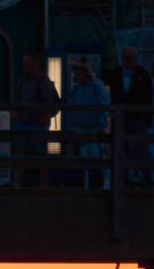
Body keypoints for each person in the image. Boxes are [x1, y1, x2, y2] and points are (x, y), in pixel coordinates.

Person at [109, 46, 154, 186]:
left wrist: (147, 114)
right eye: (126, 58)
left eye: (131, 58)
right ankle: (123, 180)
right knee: (121, 148)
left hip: (137, 118)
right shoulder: (116, 73)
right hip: (121, 117)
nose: (129, 61)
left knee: (139, 148)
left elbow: (149, 95)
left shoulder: (143, 74)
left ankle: (144, 179)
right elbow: (113, 94)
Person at [13, 53, 58, 189]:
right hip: (24, 122)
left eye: (28, 64)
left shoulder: (43, 82)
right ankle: (18, 183)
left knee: (40, 156)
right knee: (20, 153)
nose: (26, 67)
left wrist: (43, 118)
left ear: (36, 64)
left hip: (36, 124)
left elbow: (49, 104)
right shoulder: (23, 81)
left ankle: (41, 184)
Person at [64, 59, 112, 187]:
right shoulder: (76, 89)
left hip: (95, 129)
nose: (76, 76)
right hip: (82, 129)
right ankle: (88, 185)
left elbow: (105, 104)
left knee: (99, 159)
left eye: (79, 73)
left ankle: (106, 183)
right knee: (86, 160)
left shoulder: (96, 86)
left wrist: (102, 124)